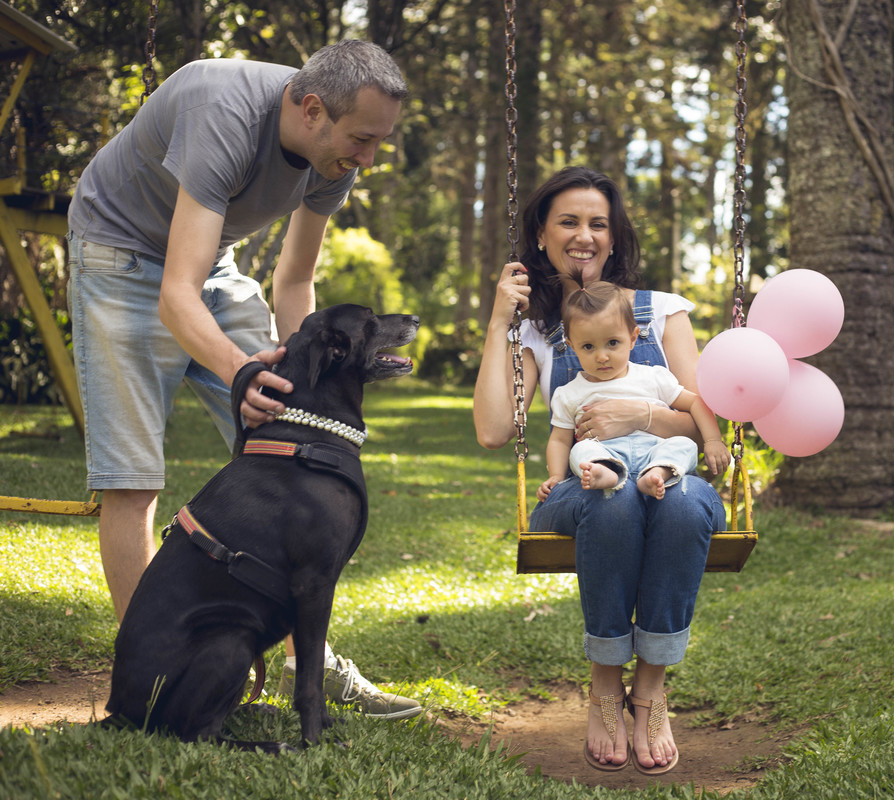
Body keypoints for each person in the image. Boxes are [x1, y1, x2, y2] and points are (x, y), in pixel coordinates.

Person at [67, 40, 421, 719]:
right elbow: (176, 296)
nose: (370, 158)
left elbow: (294, 282)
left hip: (212, 265)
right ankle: (154, 684)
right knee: (133, 479)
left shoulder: (335, 155)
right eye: (362, 140)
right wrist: (244, 370)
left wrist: (304, 382)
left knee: (290, 447)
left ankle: (303, 664)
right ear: (312, 110)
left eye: (379, 141)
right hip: (119, 255)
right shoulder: (221, 111)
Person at [474, 166, 728, 775]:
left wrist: (644, 415)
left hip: (667, 475)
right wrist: (500, 323)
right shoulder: (536, 331)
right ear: (541, 235)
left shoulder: (662, 313)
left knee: (682, 502)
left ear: (614, 238)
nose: (584, 236)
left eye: (598, 223)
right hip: (584, 487)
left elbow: (705, 419)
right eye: (568, 222)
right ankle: (605, 689)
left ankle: (651, 691)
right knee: (612, 500)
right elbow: (493, 430)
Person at [542, 280, 730, 503]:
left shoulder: (652, 377)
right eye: (588, 346)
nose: (602, 356)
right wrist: (556, 476)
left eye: (613, 342)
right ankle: (605, 472)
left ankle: (658, 472)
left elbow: (695, 402)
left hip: (655, 451)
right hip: (605, 453)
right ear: (572, 346)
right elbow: (560, 441)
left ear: (632, 338)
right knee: (580, 450)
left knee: (685, 445)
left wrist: (713, 440)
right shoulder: (569, 393)